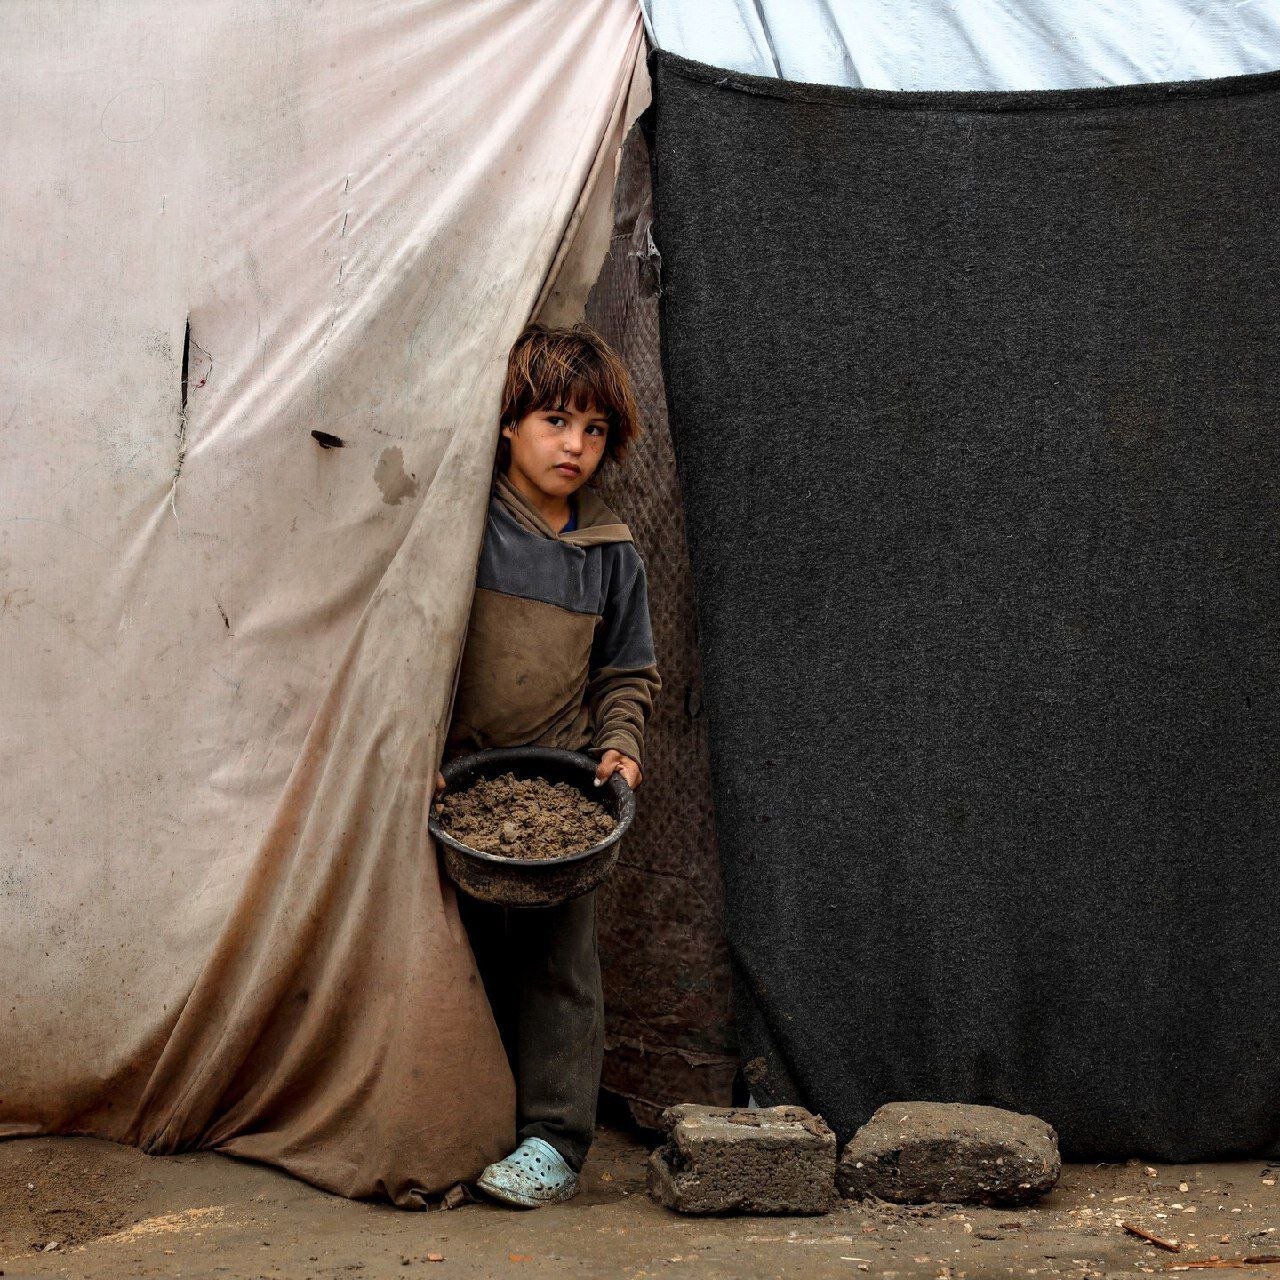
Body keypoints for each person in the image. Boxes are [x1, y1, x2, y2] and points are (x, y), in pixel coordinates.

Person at [438, 322, 660, 1208]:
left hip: (558, 790)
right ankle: (469, 1124)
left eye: (595, 430)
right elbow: (418, 651)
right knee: (460, 963)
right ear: (507, 423)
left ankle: (553, 1142)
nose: (575, 445)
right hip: (458, 789)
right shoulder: (465, 526)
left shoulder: (609, 552)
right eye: (556, 421)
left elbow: (628, 671)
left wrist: (621, 744)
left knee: (559, 967)